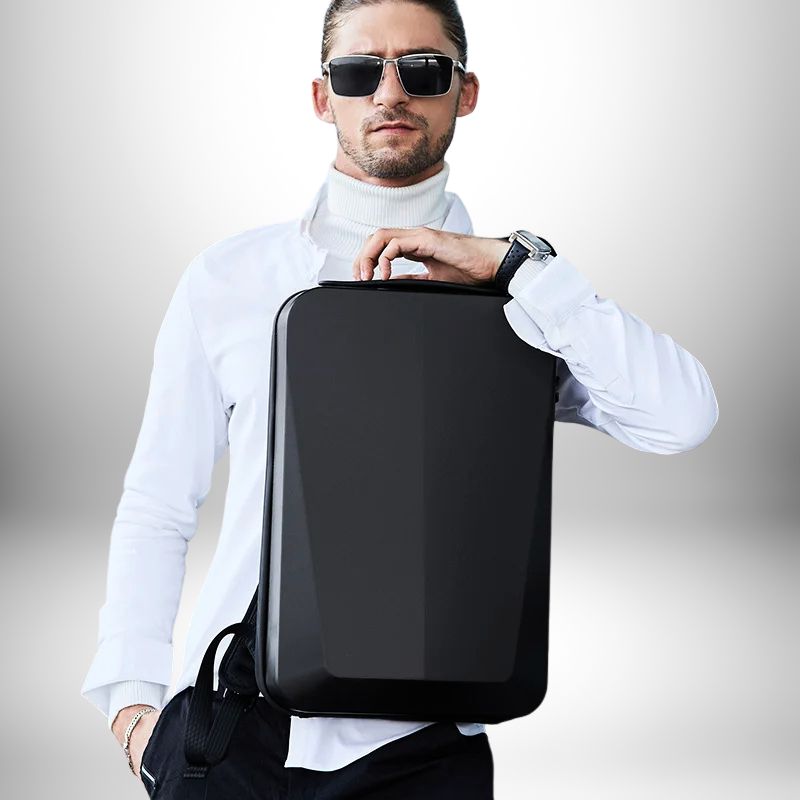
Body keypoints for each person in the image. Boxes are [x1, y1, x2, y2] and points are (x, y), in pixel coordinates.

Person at [80, 1, 719, 797]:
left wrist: (518, 272)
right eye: (358, 71)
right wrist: (132, 708)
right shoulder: (228, 281)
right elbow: (158, 501)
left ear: (465, 92)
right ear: (324, 98)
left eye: (422, 69)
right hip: (229, 732)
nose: (390, 93)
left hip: (426, 748)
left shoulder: (525, 303)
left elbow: (682, 416)